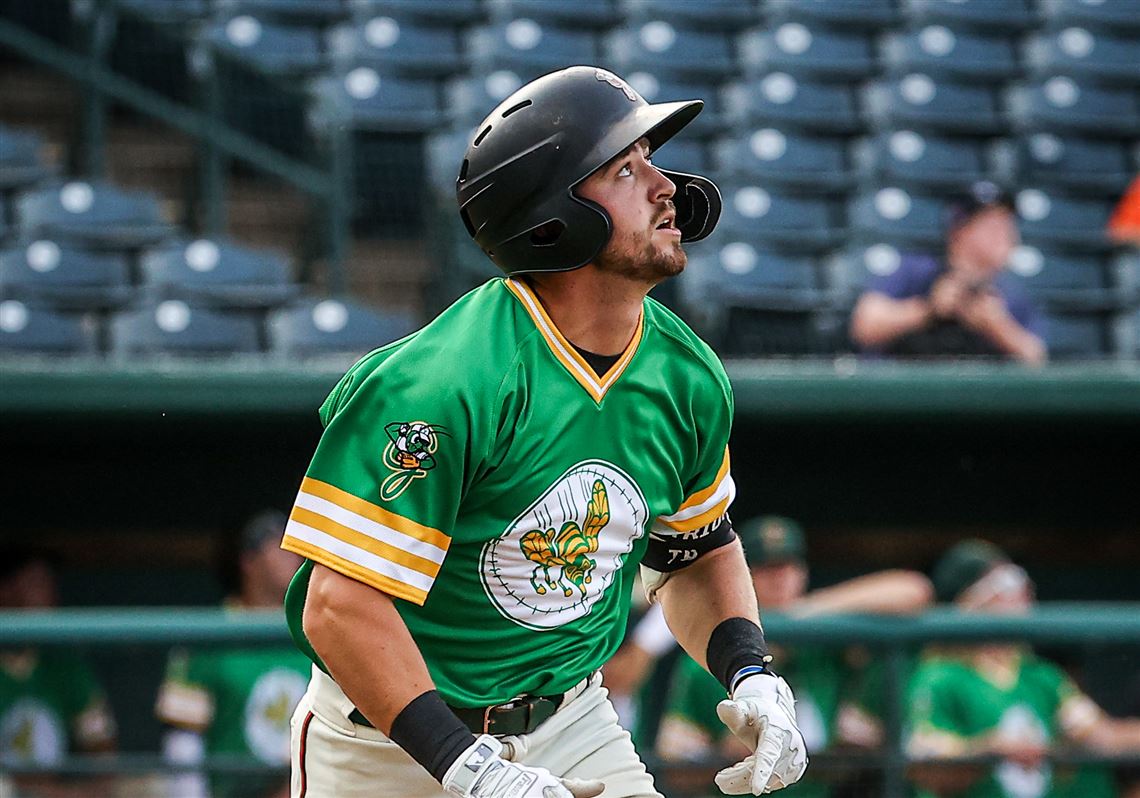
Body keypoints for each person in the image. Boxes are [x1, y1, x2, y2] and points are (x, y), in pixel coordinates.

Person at [279, 65, 808, 798]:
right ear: (554, 217)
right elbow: (338, 607)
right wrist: (471, 770)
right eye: (628, 168)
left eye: (651, 161)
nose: (665, 187)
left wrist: (751, 671)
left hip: (571, 724)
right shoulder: (441, 380)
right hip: (391, 741)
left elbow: (693, 547)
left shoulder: (687, 374)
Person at [652, 516, 933, 797]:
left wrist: (807, 612)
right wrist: (720, 754)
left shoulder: (821, 643)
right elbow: (675, 764)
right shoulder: (711, 653)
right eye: (766, 569)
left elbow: (913, 590)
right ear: (741, 575)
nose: (780, 580)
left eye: (788, 567)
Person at [906, 540, 1140, 798]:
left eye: (1020, 580)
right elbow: (926, 765)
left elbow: (1103, 738)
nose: (1023, 592)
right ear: (968, 600)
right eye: (1006, 583)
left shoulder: (1041, 676)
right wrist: (990, 750)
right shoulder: (938, 677)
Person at [155, 510, 309, 798]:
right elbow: (183, 745)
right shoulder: (208, 637)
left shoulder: (313, 630)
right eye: (278, 544)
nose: (293, 553)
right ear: (248, 561)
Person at [849, 181, 1047, 364]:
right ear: (959, 231)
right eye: (992, 226)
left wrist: (995, 324)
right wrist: (930, 309)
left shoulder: (1009, 293)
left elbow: (1037, 358)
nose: (1005, 236)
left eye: (1008, 225)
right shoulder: (916, 272)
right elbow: (864, 326)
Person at [0, 546, 117, 796]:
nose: (50, 596)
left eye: (50, 584)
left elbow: (100, 745)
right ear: (5, 590)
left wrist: (85, 791)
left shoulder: (66, 666)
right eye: (37, 583)